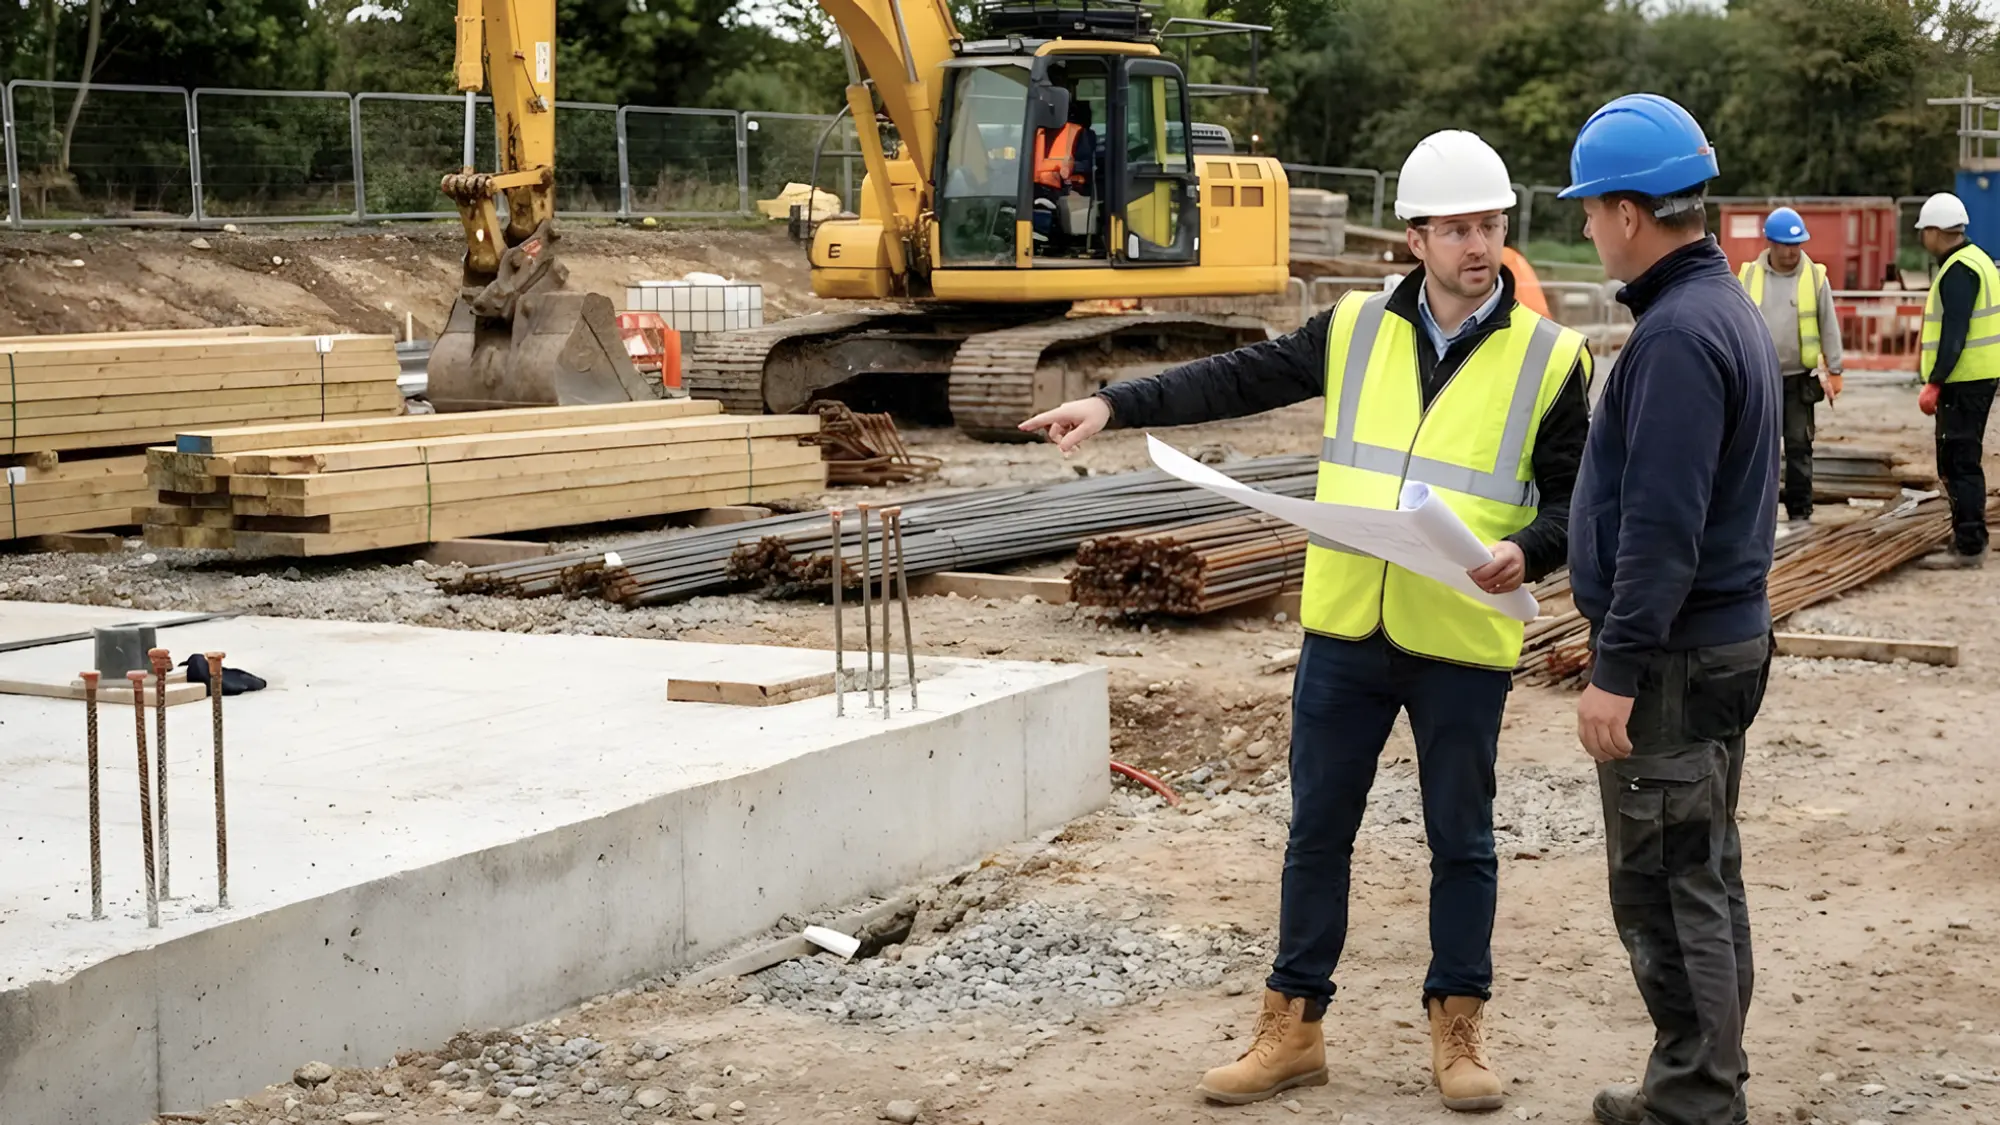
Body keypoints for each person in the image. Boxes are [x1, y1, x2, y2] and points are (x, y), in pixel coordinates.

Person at [1019, 130, 1593, 1113]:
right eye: (1456, 228)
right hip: (1344, 629)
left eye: (1490, 225)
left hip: (1457, 633)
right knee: (1315, 831)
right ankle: (1293, 1028)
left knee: (1461, 838)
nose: (1476, 245)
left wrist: (1530, 553)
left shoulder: (1551, 357)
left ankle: (1457, 1027)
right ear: (1414, 238)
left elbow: (1576, 501)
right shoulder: (1354, 328)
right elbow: (1236, 377)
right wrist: (1114, 404)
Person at [1557, 93, 1781, 1125]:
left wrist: (1615, 670)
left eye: (1591, 210)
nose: (1587, 228)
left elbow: (1660, 528)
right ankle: (1695, 1083)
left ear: (1628, 211)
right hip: (1711, 645)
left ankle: (1693, 1104)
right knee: (1701, 872)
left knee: (1663, 883)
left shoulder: (1680, 336)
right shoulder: (1713, 308)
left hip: (1676, 659)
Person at [1738, 206, 1844, 532]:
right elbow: (1736, 326)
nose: (1790, 252)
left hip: (1800, 379)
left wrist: (1836, 368)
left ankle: (1800, 514)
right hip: (1761, 379)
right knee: (1760, 450)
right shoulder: (1748, 278)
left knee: (1799, 447)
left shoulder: (1814, 277)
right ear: (1770, 242)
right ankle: (1759, 516)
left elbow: (1829, 324)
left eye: (1796, 245)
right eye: (1784, 245)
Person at [1911, 192, 2000, 568]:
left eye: (1924, 232)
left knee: (1958, 461)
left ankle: (1969, 545)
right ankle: (1967, 537)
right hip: (1977, 377)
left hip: (1964, 382)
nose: (1922, 239)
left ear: (1936, 231)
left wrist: (1936, 381)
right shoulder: (1977, 260)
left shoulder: (1959, 270)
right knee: (1961, 458)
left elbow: (1955, 331)